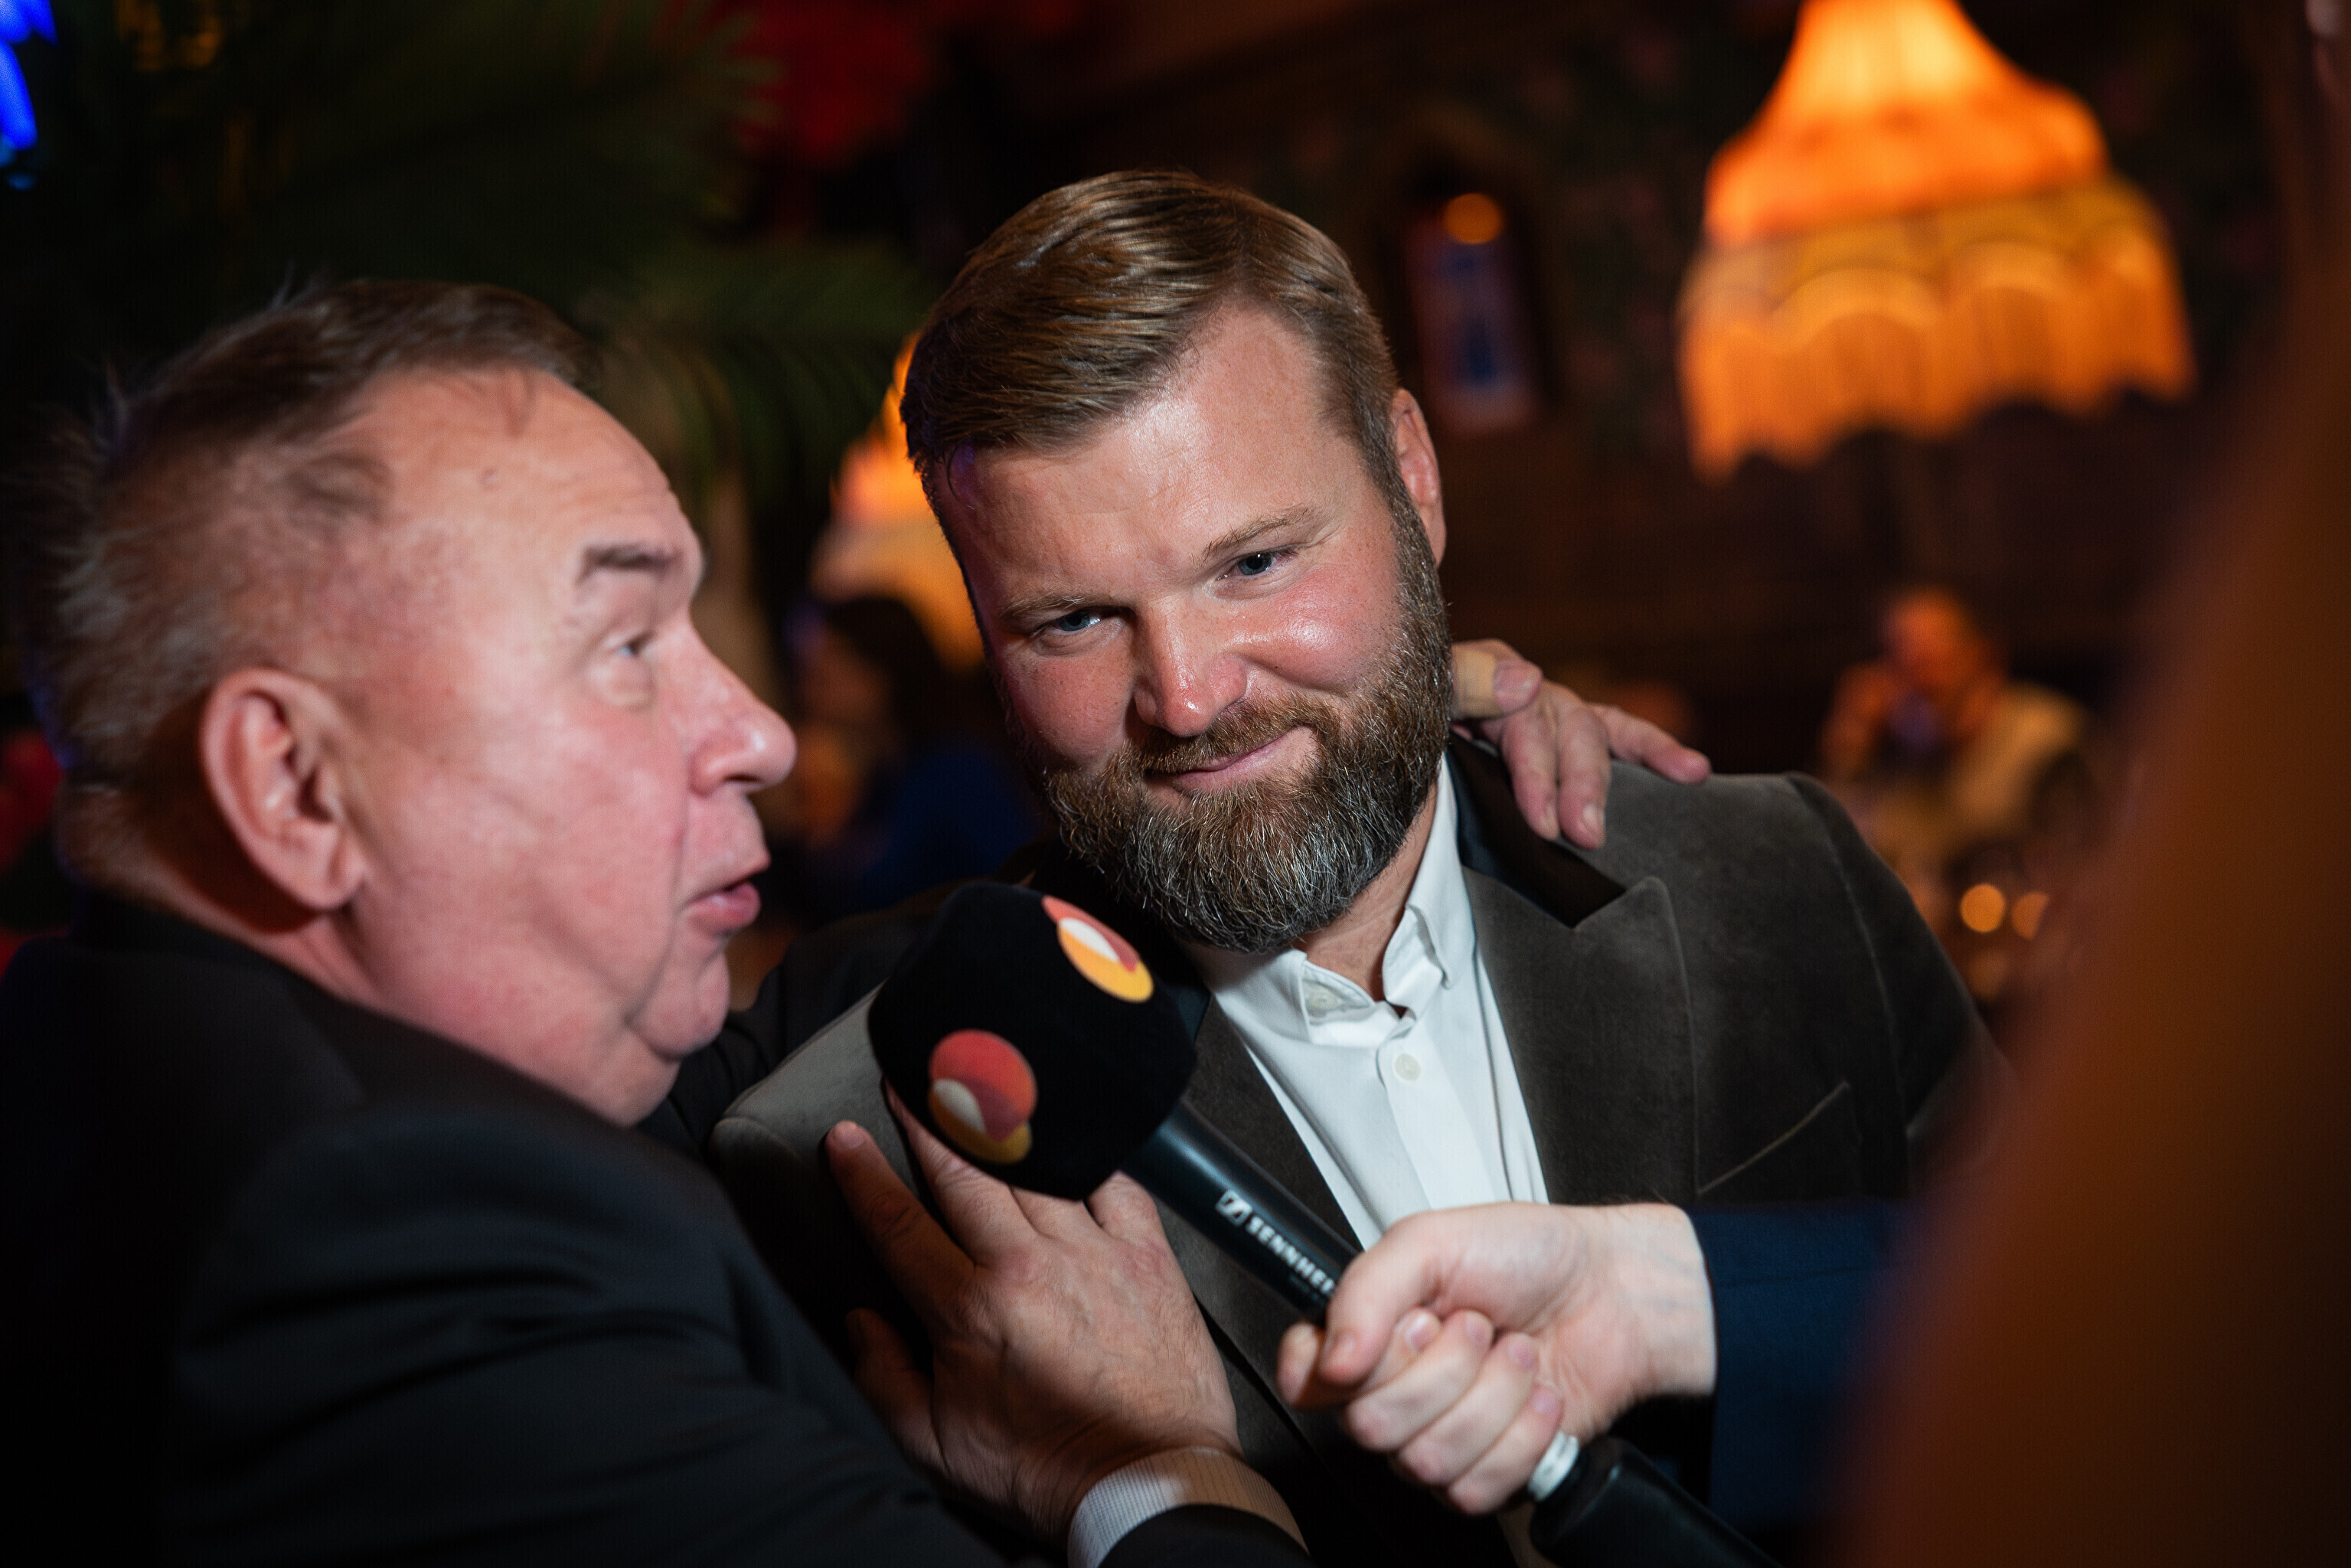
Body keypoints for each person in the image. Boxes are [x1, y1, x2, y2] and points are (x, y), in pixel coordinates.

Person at [691, 171, 2003, 1566]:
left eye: (1255, 563)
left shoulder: (1778, 874)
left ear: (1412, 482)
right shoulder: (866, 1153)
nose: (1187, 697)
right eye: (1073, 621)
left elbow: (2094, 1342)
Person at [0, 282, 1315, 1566]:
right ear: (294, 784)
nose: (760, 735)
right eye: (628, 645)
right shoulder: (385, 1259)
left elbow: (779, 1036)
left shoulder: (122, 1056)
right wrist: (1146, 1472)